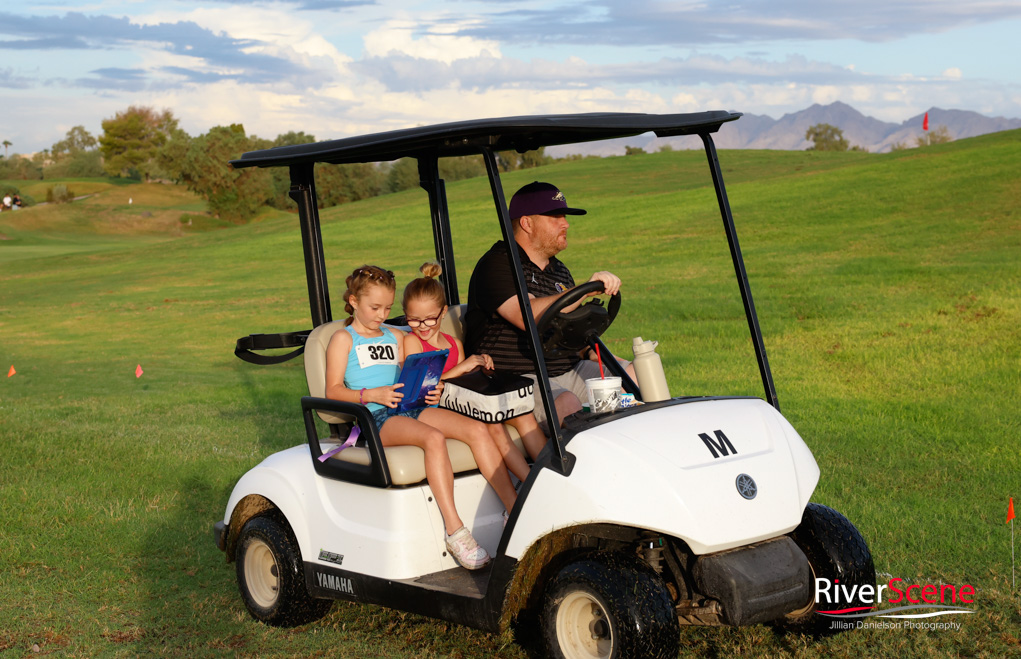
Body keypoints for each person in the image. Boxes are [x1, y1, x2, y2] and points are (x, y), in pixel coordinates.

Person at [324, 265, 518, 570]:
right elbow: (333, 390)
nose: (381, 315)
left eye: (387, 308)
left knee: (478, 429)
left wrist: (426, 388)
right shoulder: (343, 339)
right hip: (374, 416)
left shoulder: (394, 335)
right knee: (433, 437)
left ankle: (515, 511)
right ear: (353, 301)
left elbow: (412, 372)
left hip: (408, 408)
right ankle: (455, 531)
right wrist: (371, 395)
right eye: (375, 308)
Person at [465, 181, 634, 443]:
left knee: (633, 373)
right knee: (566, 401)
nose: (565, 224)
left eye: (564, 217)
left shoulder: (559, 271)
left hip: (564, 369)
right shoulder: (498, 263)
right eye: (555, 217)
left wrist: (607, 357)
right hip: (513, 377)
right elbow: (529, 316)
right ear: (527, 223)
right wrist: (584, 291)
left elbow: (570, 331)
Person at [402, 262, 544, 480]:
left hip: (462, 402)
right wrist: (463, 367)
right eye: (413, 319)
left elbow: (467, 382)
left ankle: (548, 474)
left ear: (442, 312)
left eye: (429, 318)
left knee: (523, 414)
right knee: (493, 424)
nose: (422, 326)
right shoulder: (412, 343)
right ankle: (531, 482)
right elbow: (420, 389)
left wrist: (479, 366)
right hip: (439, 407)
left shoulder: (454, 344)